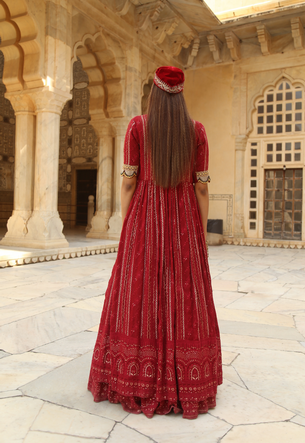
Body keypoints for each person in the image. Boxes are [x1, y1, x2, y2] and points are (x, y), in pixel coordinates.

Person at [88, 66, 222, 420]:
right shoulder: (197, 132)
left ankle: (136, 378)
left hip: (144, 221)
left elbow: (129, 183)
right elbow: (202, 187)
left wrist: (128, 226)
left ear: (155, 92)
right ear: (181, 95)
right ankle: (185, 383)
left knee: (140, 295)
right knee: (183, 297)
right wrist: (200, 234)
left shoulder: (138, 126)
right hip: (184, 223)